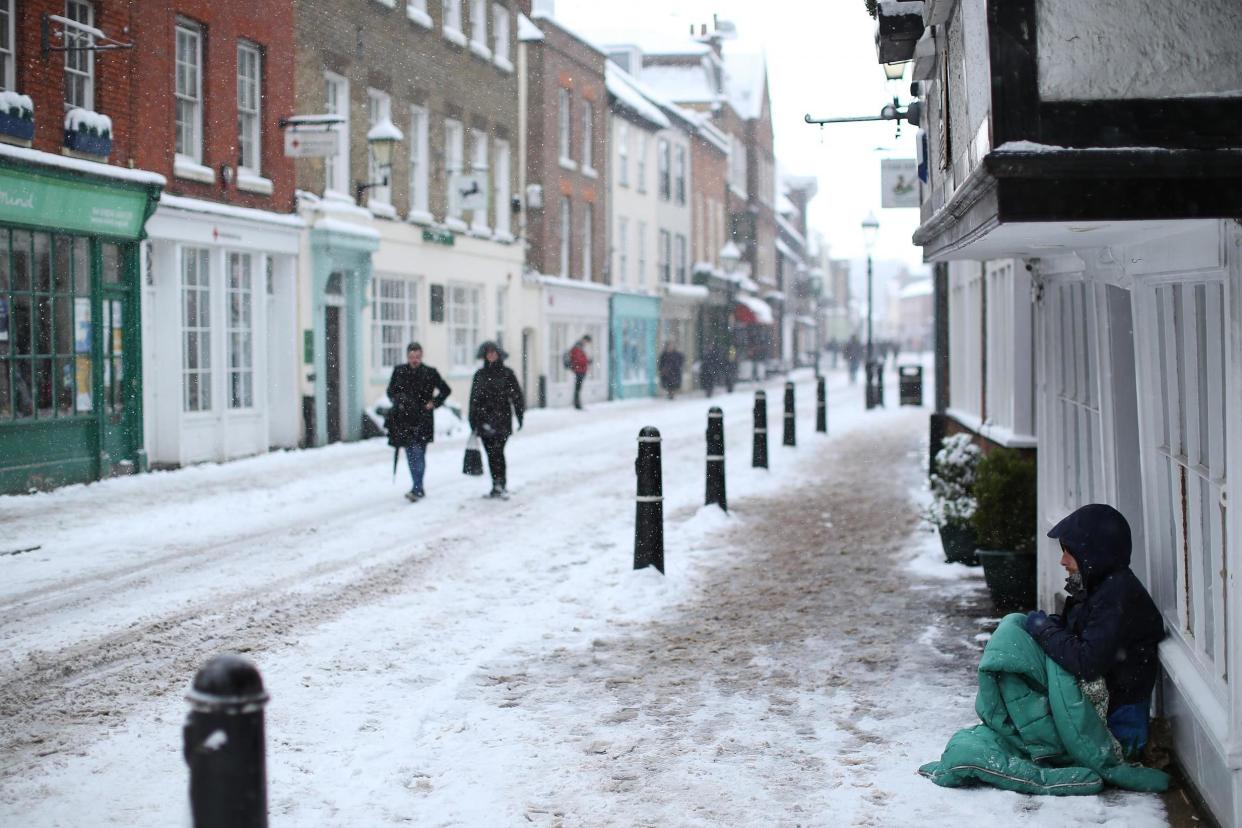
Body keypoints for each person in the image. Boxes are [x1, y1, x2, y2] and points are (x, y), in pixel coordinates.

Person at [1023, 503, 1165, 758]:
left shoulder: (1116, 596)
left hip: (1119, 723)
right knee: (1014, 632)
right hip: (1105, 705)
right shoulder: (1099, 587)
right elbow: (1078, 631)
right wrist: (1051, 625)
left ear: (1093, 553)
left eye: (1069, 552)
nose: (1062, 560)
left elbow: (1087, 661)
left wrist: (1045, 631)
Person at [385, 342, 451, 502]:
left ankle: (418, 487)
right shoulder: (399, 371)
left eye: (417, 356)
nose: (414, 359)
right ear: (407, 356)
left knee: (419, 454)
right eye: (411, 357)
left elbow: (445, 390)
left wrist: (434, 403)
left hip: (423, 419)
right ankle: (417, 487)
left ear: (421, 356)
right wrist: (398, 400)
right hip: (405, 420)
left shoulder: (430, 372)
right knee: (411, 453)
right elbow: (390, 391)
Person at [468, 341, 525, 499]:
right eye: (488, 353)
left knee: (498, 452)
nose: (491, 355)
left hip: (502, 419)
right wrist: (472, 421)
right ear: (485, 356)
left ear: (499, 354)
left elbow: (517, 397)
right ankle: (496, 484)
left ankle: (501, 484)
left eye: (494, 352)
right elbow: (473, 399)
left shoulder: (507, 373)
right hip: (484, 420)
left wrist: (520, 416)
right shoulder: (479, 375)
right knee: (490, 454)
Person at [569, 334, 591, 410]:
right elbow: (578, 359)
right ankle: (577, 404)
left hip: (581, 370)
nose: (587, 344)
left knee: (578, 388)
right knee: (578, 388)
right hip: (579, 370)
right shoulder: (578, 347)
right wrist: (587, 361)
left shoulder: (580, 347)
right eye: (587, 342)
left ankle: (577, 403)